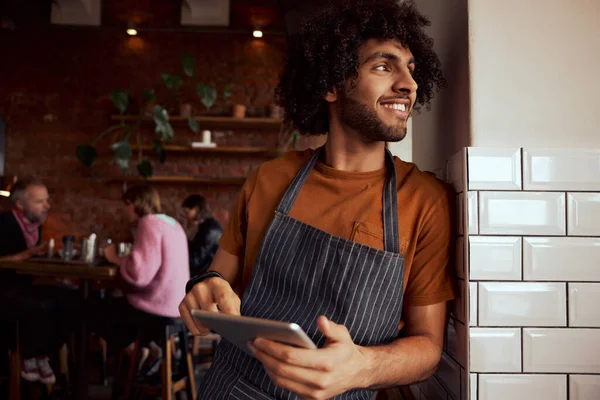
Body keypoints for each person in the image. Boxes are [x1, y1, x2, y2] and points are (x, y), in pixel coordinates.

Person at [179, 0, 455, 399]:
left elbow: (428, 349)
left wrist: (362, 367)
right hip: (234, 388)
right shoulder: (270, 179)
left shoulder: (424, 201)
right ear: (330, 85)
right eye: (383, 66)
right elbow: (217, 280)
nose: (408, 84)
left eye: (410, 69)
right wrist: (204, 288)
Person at [92, 184, 190, 373]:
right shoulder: (172, 223)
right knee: (113, 304)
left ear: (132, 204)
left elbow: (139, 276)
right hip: (177, 307)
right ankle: (146, 348)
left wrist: (113, 257)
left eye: (124, 206)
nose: (123, 212)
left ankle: (138, 350)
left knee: (93, 307)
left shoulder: (148, 223)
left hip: (157, 310)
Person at [0, 178, 60, 385]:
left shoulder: (34, 227)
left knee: (68, 300)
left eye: (47, 200)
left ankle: (41, 355)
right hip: (3, 291)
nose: (47, 206)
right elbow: (18, 258)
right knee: (42, 306)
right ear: (20, 205)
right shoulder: (4, 222)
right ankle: (30, 355)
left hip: (20, 288)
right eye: (40, 201)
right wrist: (23, 256)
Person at [181, 194, 223, 277]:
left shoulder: (210, 230)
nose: (186, 216)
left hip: (208, 277)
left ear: (196, 209)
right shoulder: (206, 226)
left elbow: (196, 261)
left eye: (187, 212)